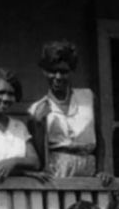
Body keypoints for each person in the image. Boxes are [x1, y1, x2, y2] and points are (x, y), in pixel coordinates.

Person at [28, 40, 111, 181]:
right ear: (44, 71)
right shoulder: (37, 108)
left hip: (88, 168)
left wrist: (102, 170)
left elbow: (99, 138)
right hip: (57, 171)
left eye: (64, 71)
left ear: (71, 71)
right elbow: (38, 156)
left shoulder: (87, 97)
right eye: (53, 71)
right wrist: (38, 123)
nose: (58, 77)